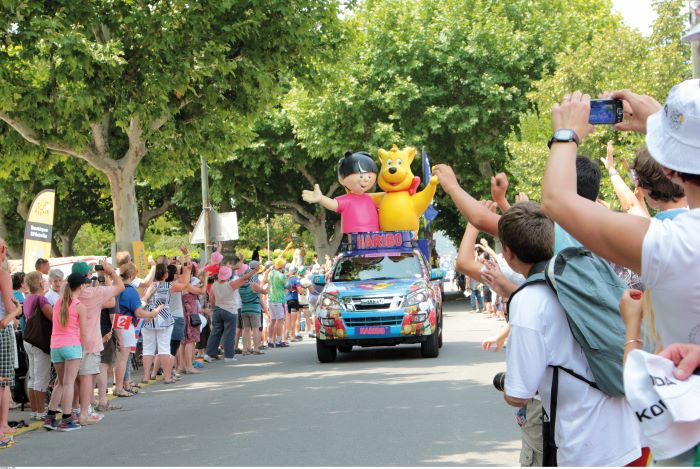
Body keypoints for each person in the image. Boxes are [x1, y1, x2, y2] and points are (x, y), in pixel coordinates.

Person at [540, 82, 700, 354]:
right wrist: (660, 126)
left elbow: (557, 199)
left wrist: (566, 133)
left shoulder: (675, 244)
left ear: (668, 170)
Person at [499, 202, 641, 466]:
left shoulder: (529, 300)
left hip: (586, 446)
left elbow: (519, 393)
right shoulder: (579, 274)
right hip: (630, 434)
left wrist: (505, 386)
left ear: (507, 252)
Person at [72, 260, 124, 426]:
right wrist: (110, 272)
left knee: (71, 380)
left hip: (70, 342)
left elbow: (109, 303)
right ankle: (85, 413)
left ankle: (74, 410)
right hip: (91, 341)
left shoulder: (66, 294)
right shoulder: (93, 293)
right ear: (87, 276)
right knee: (87, 378)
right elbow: (119, 289)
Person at [43, 273, 91, 432]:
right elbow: (83, 333)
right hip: (71, 345)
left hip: (55, 345)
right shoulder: (79, 306)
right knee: (69, 382)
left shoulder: (58, 303)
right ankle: (66, 418)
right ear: (82, 286)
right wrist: (83, 349)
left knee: (60, 382)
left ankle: (50, 417)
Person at [302, 150, 380, 233]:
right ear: (342, 179)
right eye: (361, 176)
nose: (366, 179)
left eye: (369, 176)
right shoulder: (347, 200)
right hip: (354, 234)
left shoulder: (371, 198)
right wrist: (321, 198)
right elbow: (334, 204)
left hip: (374, 233)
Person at [116, 263, 162, 396]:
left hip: (117, 324)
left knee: (121, 358)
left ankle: (123, 385)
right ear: (132, 275)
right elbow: (139, 312)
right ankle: (119, 387)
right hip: (126, 324)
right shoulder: (130, 290)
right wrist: (153, 313)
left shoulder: (116, 288)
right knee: (123, 359)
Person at [141, 261, 188, 384]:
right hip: (164, 318)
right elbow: (184, 284)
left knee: (147, 349)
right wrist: (187, 269)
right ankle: (167, 377)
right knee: (164, 348)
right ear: (165, 275)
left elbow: (142, 300)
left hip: (147, 318)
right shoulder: (168, 286)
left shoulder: (146, 286)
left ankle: (146, 376)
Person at [204, 265, 255, 362]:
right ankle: (228, 356)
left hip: (218, 310)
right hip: (230, 310)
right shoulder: (230, 284)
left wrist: (215, 307)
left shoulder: (214, 285)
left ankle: (208, 354)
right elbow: (244, 277)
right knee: (229, 334)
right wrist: (255, 271)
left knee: (215, 333)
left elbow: (211, 299)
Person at [22, 271, 53, 421]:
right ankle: (41, 411)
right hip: (40, 341)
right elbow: (53, 318)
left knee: (33, 376)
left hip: (29, 339)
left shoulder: (28, 298)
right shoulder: (42, 299)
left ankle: (35, 410)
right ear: (40, 283)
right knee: (41, 377)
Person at [0, 238, 21, 446]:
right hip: (2, 329)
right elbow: (8, 308)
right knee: (3, 381)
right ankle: (2, 426)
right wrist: (17, 312)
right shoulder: (3, 274)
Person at [181, 264, 207, 374]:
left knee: (185, 341)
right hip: (190, 313)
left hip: (187, 312)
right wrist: (205, 279)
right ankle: (189, 366)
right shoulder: (186, 285)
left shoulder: (181, 283)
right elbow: (201, 291)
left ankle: (183, 366)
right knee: (190, 340)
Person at [238, 261, 268, 355]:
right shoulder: (253, 285)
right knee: (255, 329)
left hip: (244, 309)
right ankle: (256, 349)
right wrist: (268, 283)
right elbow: (265, 292)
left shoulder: (240, 287)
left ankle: (245, 349)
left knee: (245, 329)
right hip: (254, 309)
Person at [266, 258, 288, 348]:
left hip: (271, 299)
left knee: (272, 320)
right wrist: (287, 277)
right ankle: (279, 341)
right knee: (280, 320)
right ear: (281, 266)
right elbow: (287, 286)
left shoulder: (271, 273)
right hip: (279, 300)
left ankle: (270, 340)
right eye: (284, 265)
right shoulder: (281, 275)